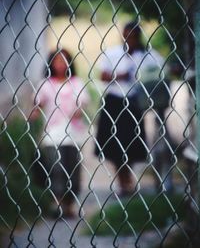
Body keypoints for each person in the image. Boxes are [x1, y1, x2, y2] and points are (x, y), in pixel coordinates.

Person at [95, 20, 167, 196]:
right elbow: (103, 75)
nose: (129, 40)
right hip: (114, 102)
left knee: (132, 144)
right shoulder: (113, 53)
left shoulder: (148, 55)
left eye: (133, 36)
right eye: (126, 36)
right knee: (114, 146)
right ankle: (123, 181)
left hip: (134, 103)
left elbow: (161, 70)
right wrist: (121, 75)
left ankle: (127, 179)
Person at [32, 48, 89, 218]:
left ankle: (69, 204)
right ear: (51, 63)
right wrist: (34, 112)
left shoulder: (76, 82)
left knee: (73, 169)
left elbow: (83, 102)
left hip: (73, 134)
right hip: (53, 133)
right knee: (56, 168)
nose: (60, 64)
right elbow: (37, 105)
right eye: (57, 61)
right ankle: (57, 202)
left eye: (64, 60)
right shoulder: (45, 84)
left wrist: (78, 110)